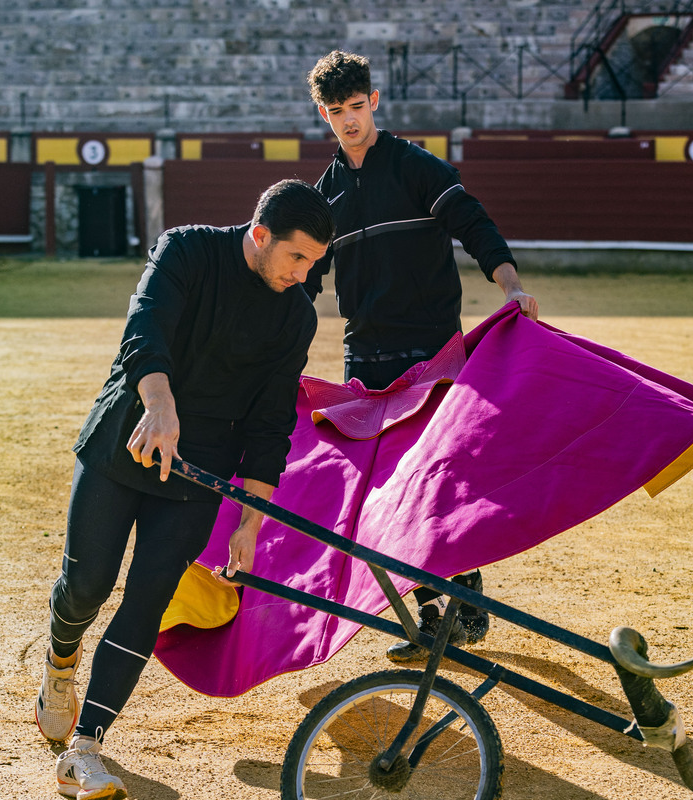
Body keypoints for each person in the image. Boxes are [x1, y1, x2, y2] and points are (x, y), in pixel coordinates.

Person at [35, 179, 334, 800]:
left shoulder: (296, 313)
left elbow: (271, 420)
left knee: (147, 600)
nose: (304, 275)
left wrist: (250, 523)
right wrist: (160, 402)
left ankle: (86, 746)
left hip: (199, 475)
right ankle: (62, 660)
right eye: (296, 257)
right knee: (86, 584)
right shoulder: (185, 251)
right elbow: (145, 327)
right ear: (259, 236)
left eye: (315, 263)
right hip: (126, 440)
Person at [304, 49, 540, 664]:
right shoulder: (324, 195)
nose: (349, 121)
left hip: (432, 349)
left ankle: (466, 596)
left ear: (374, 102)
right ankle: (428, 617)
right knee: (385, 493)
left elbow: (471, 221)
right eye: (336, 112)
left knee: (441, 479)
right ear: (322, 115)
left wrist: (510, 285)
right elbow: (305, 283)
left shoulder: (414, 167)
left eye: (357, 107)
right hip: (365, 357)